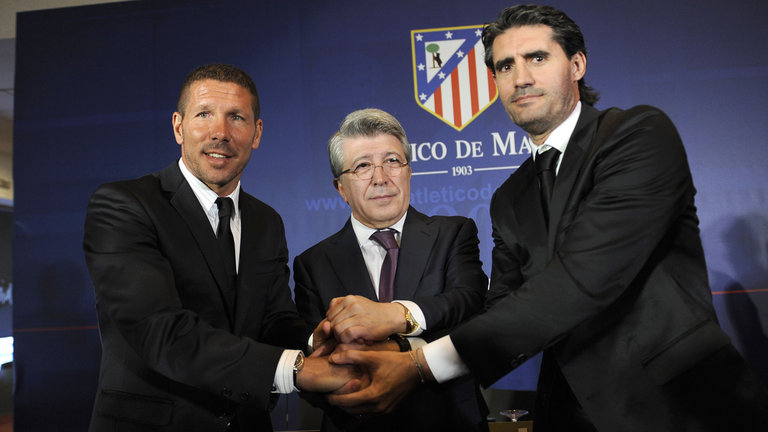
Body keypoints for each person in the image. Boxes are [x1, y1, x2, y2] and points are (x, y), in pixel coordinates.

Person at [326, 5, 768, 431]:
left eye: (537, 57)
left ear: (576, 64)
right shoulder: (508, 197)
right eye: (504, 66)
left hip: (677, 405)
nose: (520, 78)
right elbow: (503, 307)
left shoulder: (638, 135)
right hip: (568, 411)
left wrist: (419, 366)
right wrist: (399, 337)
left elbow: (584, 280)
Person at [83, 63, 357, 432]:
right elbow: (160, 331)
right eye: (204, 115)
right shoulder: (124, 205)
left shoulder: (266, 221)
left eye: (237, 118)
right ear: (179, 127)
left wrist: (315, 340)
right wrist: (297, 369)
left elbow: (272, 320)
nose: (220, 133)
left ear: (257, 133)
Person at [293, 108, 489, 431]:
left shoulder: (454, 233)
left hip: (450, 421)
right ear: (340, 187)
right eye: (363, 166)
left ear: (409, 172)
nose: (381, 177)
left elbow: (470, 309)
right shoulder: (312, 264)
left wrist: (398, 320)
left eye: (392, 161)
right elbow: (317, 361)